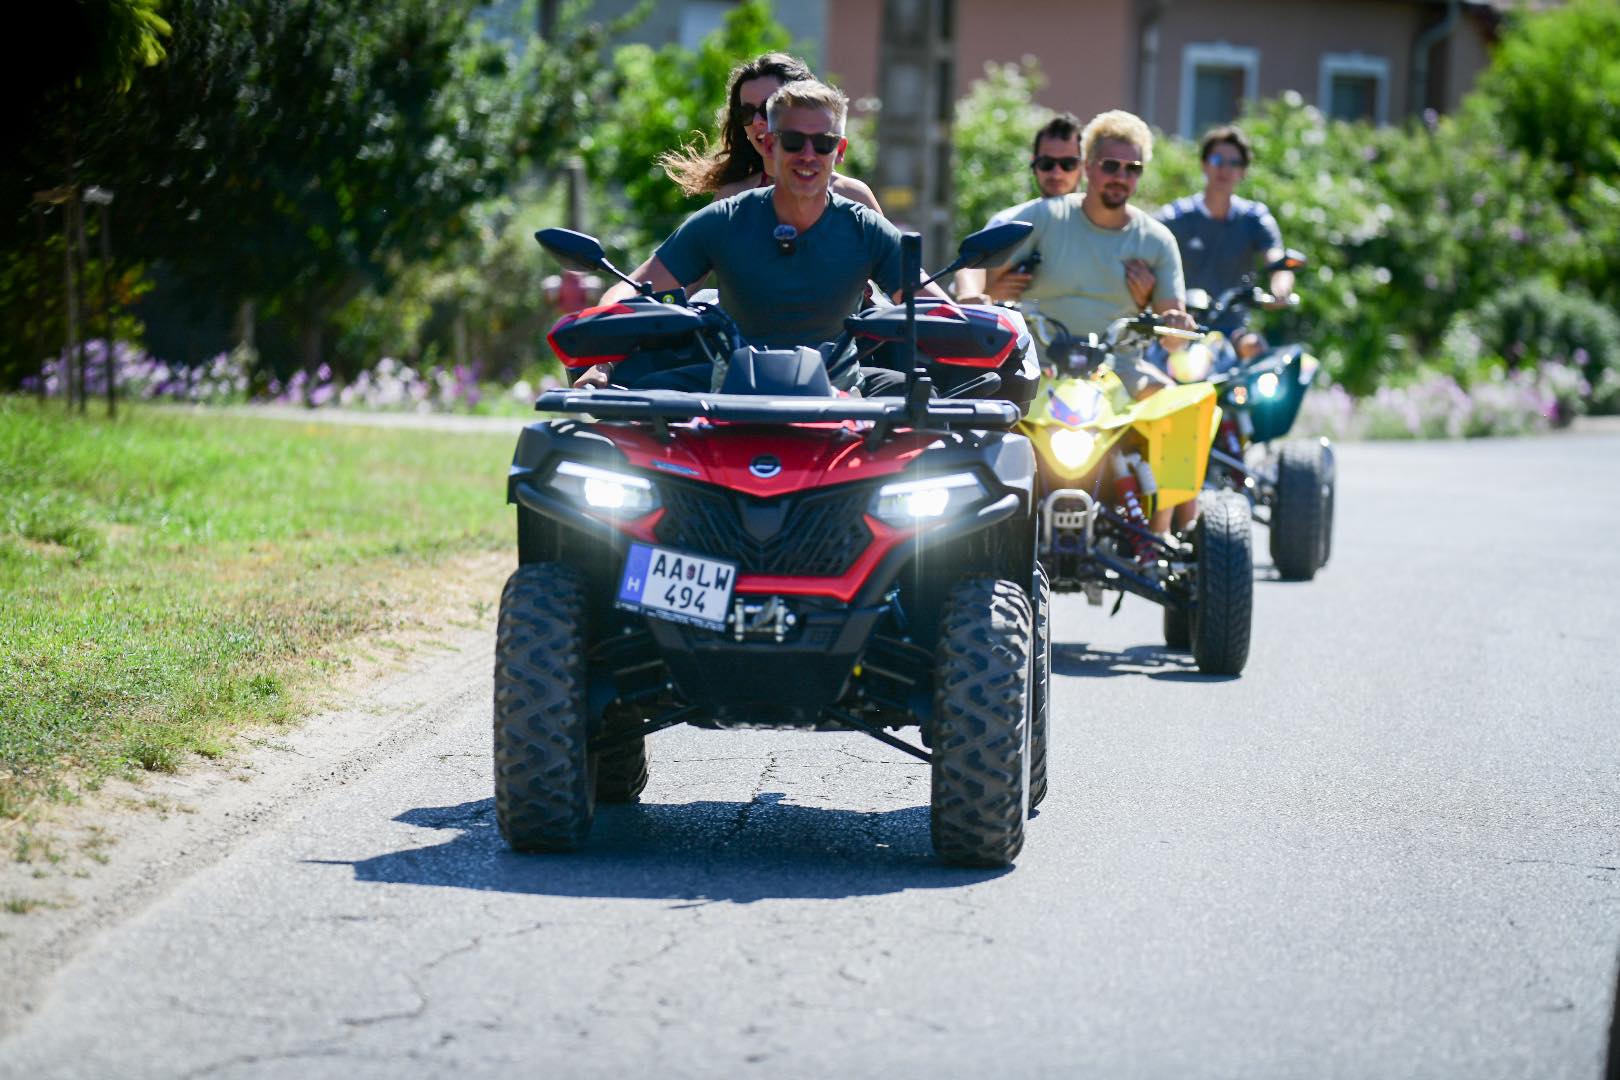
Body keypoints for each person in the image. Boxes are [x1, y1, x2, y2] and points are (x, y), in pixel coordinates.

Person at [575, 79, 949, 393]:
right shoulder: (723, 219)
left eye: (822, 143)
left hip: (843, 401)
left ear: (839, 151)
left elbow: (933, 307)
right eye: (793, 141)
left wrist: (974, 327)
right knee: (637, 404)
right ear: (770, 145)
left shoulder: (865, 227)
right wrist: (600, 343)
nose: (808, 155)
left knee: (925, 403)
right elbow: (634, 289)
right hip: (730, 398)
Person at [659, 53, 882, 213]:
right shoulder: (730, 200)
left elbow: (896, 266)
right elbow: (676, 265)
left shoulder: (853, 197)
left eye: (769, 108)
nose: (757, 121)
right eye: (746, 112)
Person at [1155, 125, 1294, 358]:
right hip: (1180, 330)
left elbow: (1276, 259)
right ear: (1204, 164)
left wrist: (1281, 287)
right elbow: (1142, 241)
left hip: (1233, 332)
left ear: (1243, 171)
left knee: (1257, 349)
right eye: (1217, 160)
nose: (1225, 169)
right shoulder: (1175, 217)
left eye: (1234, 163)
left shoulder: (1254, 218)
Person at [954, 111, 1084, 304]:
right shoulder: (1011, 220)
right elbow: (971, 265)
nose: (1056, 173)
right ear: (1033, 164)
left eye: (1068, 164)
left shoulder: (1104, 223)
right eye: (1047, 163)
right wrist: (979, 295)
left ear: (1084, 166)